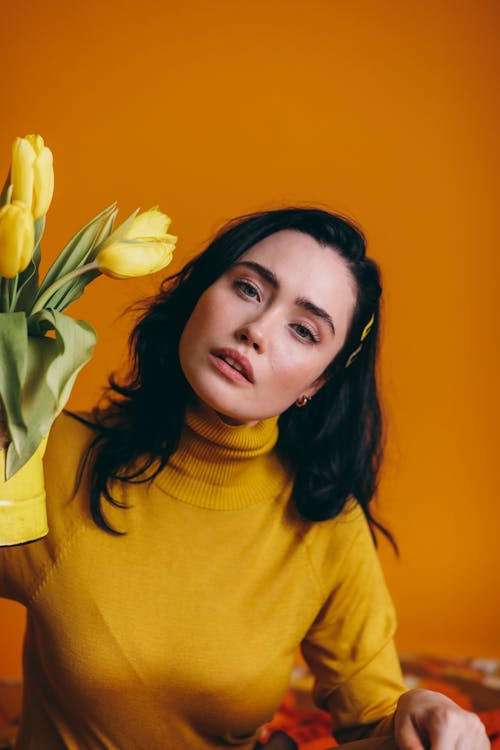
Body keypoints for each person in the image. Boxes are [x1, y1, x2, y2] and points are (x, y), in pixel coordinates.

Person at [0, 208, 489, 749]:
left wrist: (418, 712)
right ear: (199, 294)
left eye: (303, 330)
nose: (256, 330)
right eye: (250, 290)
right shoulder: (46, 452)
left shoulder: (323, 520)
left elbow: (373, 719)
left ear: (319, 382)